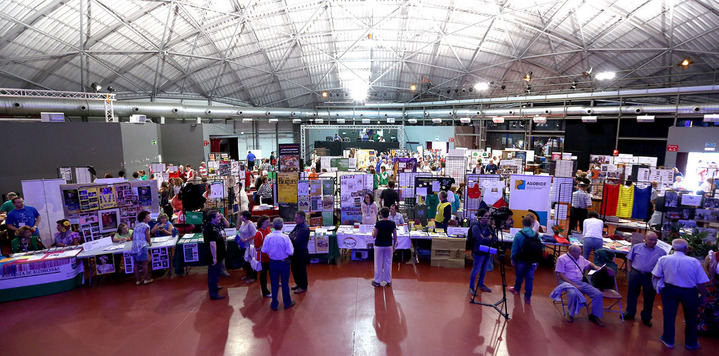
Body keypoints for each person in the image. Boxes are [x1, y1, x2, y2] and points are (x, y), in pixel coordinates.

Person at [652, 239, 710, 350]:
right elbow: (701, 282)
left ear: (673, 248)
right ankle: (691, 343)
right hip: (689, 292)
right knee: (691, 318)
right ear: (686, 249)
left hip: (669, 290)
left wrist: (658, 287)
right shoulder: (694, 262)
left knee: (669, 315)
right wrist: (703, 295)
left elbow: (656, 275)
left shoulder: (664, 259)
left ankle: (668, 340)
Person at [554, 245, 605, 326]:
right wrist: (573, 284)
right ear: (572, 252)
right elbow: (560, 275)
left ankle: (594, 316)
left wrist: (595, 267)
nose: (580, 254)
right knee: (572, 293)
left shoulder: (580, 258)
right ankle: (570, 314)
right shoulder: (562, 259)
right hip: (566, 282)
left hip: (579, 282)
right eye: (578, 253)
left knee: (598, 294)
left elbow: (588, 262)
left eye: (580, 252)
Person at [624, 231, 666, 326]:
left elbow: (663, 265)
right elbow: (629, 259)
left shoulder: (661, 252)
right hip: (636, 273)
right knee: (632, 294)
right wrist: (630, 271)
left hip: (650, 276)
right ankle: (630, 313)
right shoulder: (636, 247)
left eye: (655, 240)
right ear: (645, 239)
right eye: (651, 239)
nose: (653, 242)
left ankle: (646, 317)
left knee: (649, 297)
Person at [262, 218, 295, 310]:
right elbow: (290, 252)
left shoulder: (268, 237)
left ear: (273, 225)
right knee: (285, 283)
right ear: (282, 226)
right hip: (284, 262)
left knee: (274, 283)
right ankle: (287, 303)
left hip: (272, 262)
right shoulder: (285, 237)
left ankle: (274, 303)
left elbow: (264, 250)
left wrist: (271, 253)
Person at [509, 217, 542, 304]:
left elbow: (514, 248)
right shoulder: (536, 235)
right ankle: (527, 297)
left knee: (519, 276)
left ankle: (516, 289)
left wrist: (512, 258)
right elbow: (540, 248)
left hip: (521, 260)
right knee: (530, 279)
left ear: (522, 224)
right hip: (532, 260)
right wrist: (537, 261)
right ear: (532, 224)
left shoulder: (519, 234)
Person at [467, 209, 497, 294]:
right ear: (480, 217)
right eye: (486, 216)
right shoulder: (475, 226)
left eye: (489, 216)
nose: (488, 218)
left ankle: (481, 284)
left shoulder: (488, 226)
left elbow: (495, 238)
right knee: (476, 269)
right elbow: (480, 240)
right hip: (478, 252)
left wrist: (486, 238)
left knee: (484, 270)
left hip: (487, 251)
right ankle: (471, 287)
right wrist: (489, 238)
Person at [204, 209, 227, 300]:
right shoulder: (210, 228)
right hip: (214, 255)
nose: (219, 217)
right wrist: (214, 258)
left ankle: (215, 286)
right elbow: (212, 244)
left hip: (219, 254)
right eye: (217, 216)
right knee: (212, 274)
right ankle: (213, 294)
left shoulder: (216, 225)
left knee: (216, 272)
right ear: (212, 218)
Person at [372, 207, 397, 287]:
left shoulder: (378, 223)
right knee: (388, 263)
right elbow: (395, 235)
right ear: (388, 214)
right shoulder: (392, 223)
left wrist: (373, 231)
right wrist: (394, 245)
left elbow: (374, 235)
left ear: (381, 214)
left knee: (378, 263)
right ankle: (388, 281)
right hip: (388, 245)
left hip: (379, 245)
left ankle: (377, 281)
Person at [290, 210, 310, 294]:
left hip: (301, 252)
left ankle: (303, 286)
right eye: (295, 218)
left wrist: (292, 237)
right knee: (295, 269)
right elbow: (291, 234)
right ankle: (298, 283)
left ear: (302, 218)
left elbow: (296, 241)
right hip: (295, 251)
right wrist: (292, 237)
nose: (295, 220)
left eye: (296, 218)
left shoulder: (304, 228)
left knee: (301, 270)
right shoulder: (298, 226)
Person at [130, 211, 153, 286]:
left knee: (136, 263)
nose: (149, 217)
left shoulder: (136, 226)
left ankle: (138, 280)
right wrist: (149, 242)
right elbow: (147, 235)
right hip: (142, 246)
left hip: (134, 247)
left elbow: (131, 237)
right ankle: (146, 279)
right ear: (144, 218)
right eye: (148, 216)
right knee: (145, 263)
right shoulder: (146, 226)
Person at [236, 210, 257, 283]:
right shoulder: (243, 223)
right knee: (246, 261)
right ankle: (248, 274)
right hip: (243, 245)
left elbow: (254, 235)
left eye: (241, 215)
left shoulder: (250, 224)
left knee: (251, 261)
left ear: (245, 216)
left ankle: (254, 277)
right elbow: (238, 230)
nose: (240, 216)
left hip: (249, 245)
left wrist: (246, 239)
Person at [254, 216, 272, 298]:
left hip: (270, 256)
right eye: (267, 222)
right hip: (263, 258)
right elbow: (257, 248)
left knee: (272, 272)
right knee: (263, 275)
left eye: (269, 222)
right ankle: (265, 291)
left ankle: (274, 284)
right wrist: (266, 244)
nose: (269, 223)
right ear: (262, 223)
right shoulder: (258, 233)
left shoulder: (268, 229)